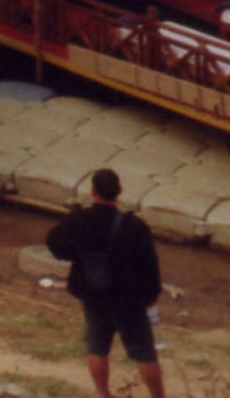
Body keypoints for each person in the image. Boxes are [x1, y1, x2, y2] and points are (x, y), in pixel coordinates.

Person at [46, 167, 166, 398]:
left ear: (93, 192)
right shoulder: (135, 226)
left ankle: (104, 394)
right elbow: (150, 265)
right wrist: (152, 297)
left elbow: (53, 242)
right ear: (119, 191)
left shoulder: (80, 219)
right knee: (144, 354)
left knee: (97, 349)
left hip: (94, 296)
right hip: (129, 301)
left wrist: (77, 255)